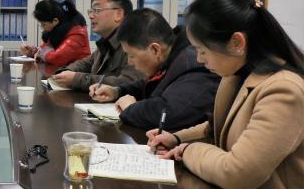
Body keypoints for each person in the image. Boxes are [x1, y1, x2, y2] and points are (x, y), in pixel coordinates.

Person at [147, 0, 304, 189]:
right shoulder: (238, 74)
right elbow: (220, 127)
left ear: (237, 43)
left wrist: (189, 150)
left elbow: (238, 174)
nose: (199, 60)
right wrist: (176, 138)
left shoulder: (284, 90)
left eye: (202, 50)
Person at [90, 8, 219, 130]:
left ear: (155, 49)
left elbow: (168, 114)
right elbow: (151, 85)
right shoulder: (173, 54)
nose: (129, 62)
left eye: (132, 55)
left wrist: (131, 108)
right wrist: (117, 91)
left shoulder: (193, 64)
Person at [51, 0, 144, 91]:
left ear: (118, 14)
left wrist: (77, 79)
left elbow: (127, 83)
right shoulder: (106, 42)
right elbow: (85, 64)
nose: (91, 16)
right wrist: (64, 72)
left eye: (97, 10)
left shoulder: (134, 43)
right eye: (91, 11)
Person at [19, 0, 90, 67]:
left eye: (44, 24)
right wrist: (32, 51)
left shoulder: (77, 33)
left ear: (55, 21)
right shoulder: (58, 29)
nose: (42, 27)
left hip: (78, 73)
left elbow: (58, 57)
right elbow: (46, 48)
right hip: (64, 71)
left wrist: (41, 53)